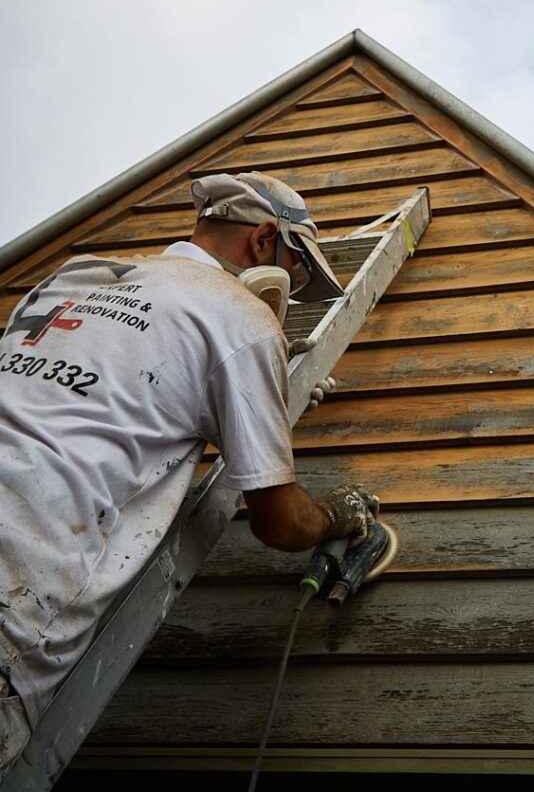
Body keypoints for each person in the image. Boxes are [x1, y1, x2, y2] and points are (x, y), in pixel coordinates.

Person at [0, 172, 378, 779]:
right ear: (263, 243)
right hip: (16, 606)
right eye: (298, 271)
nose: (295, 287)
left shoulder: (72, 281)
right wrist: (337, 515)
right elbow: (278, 523)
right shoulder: (239, 316)